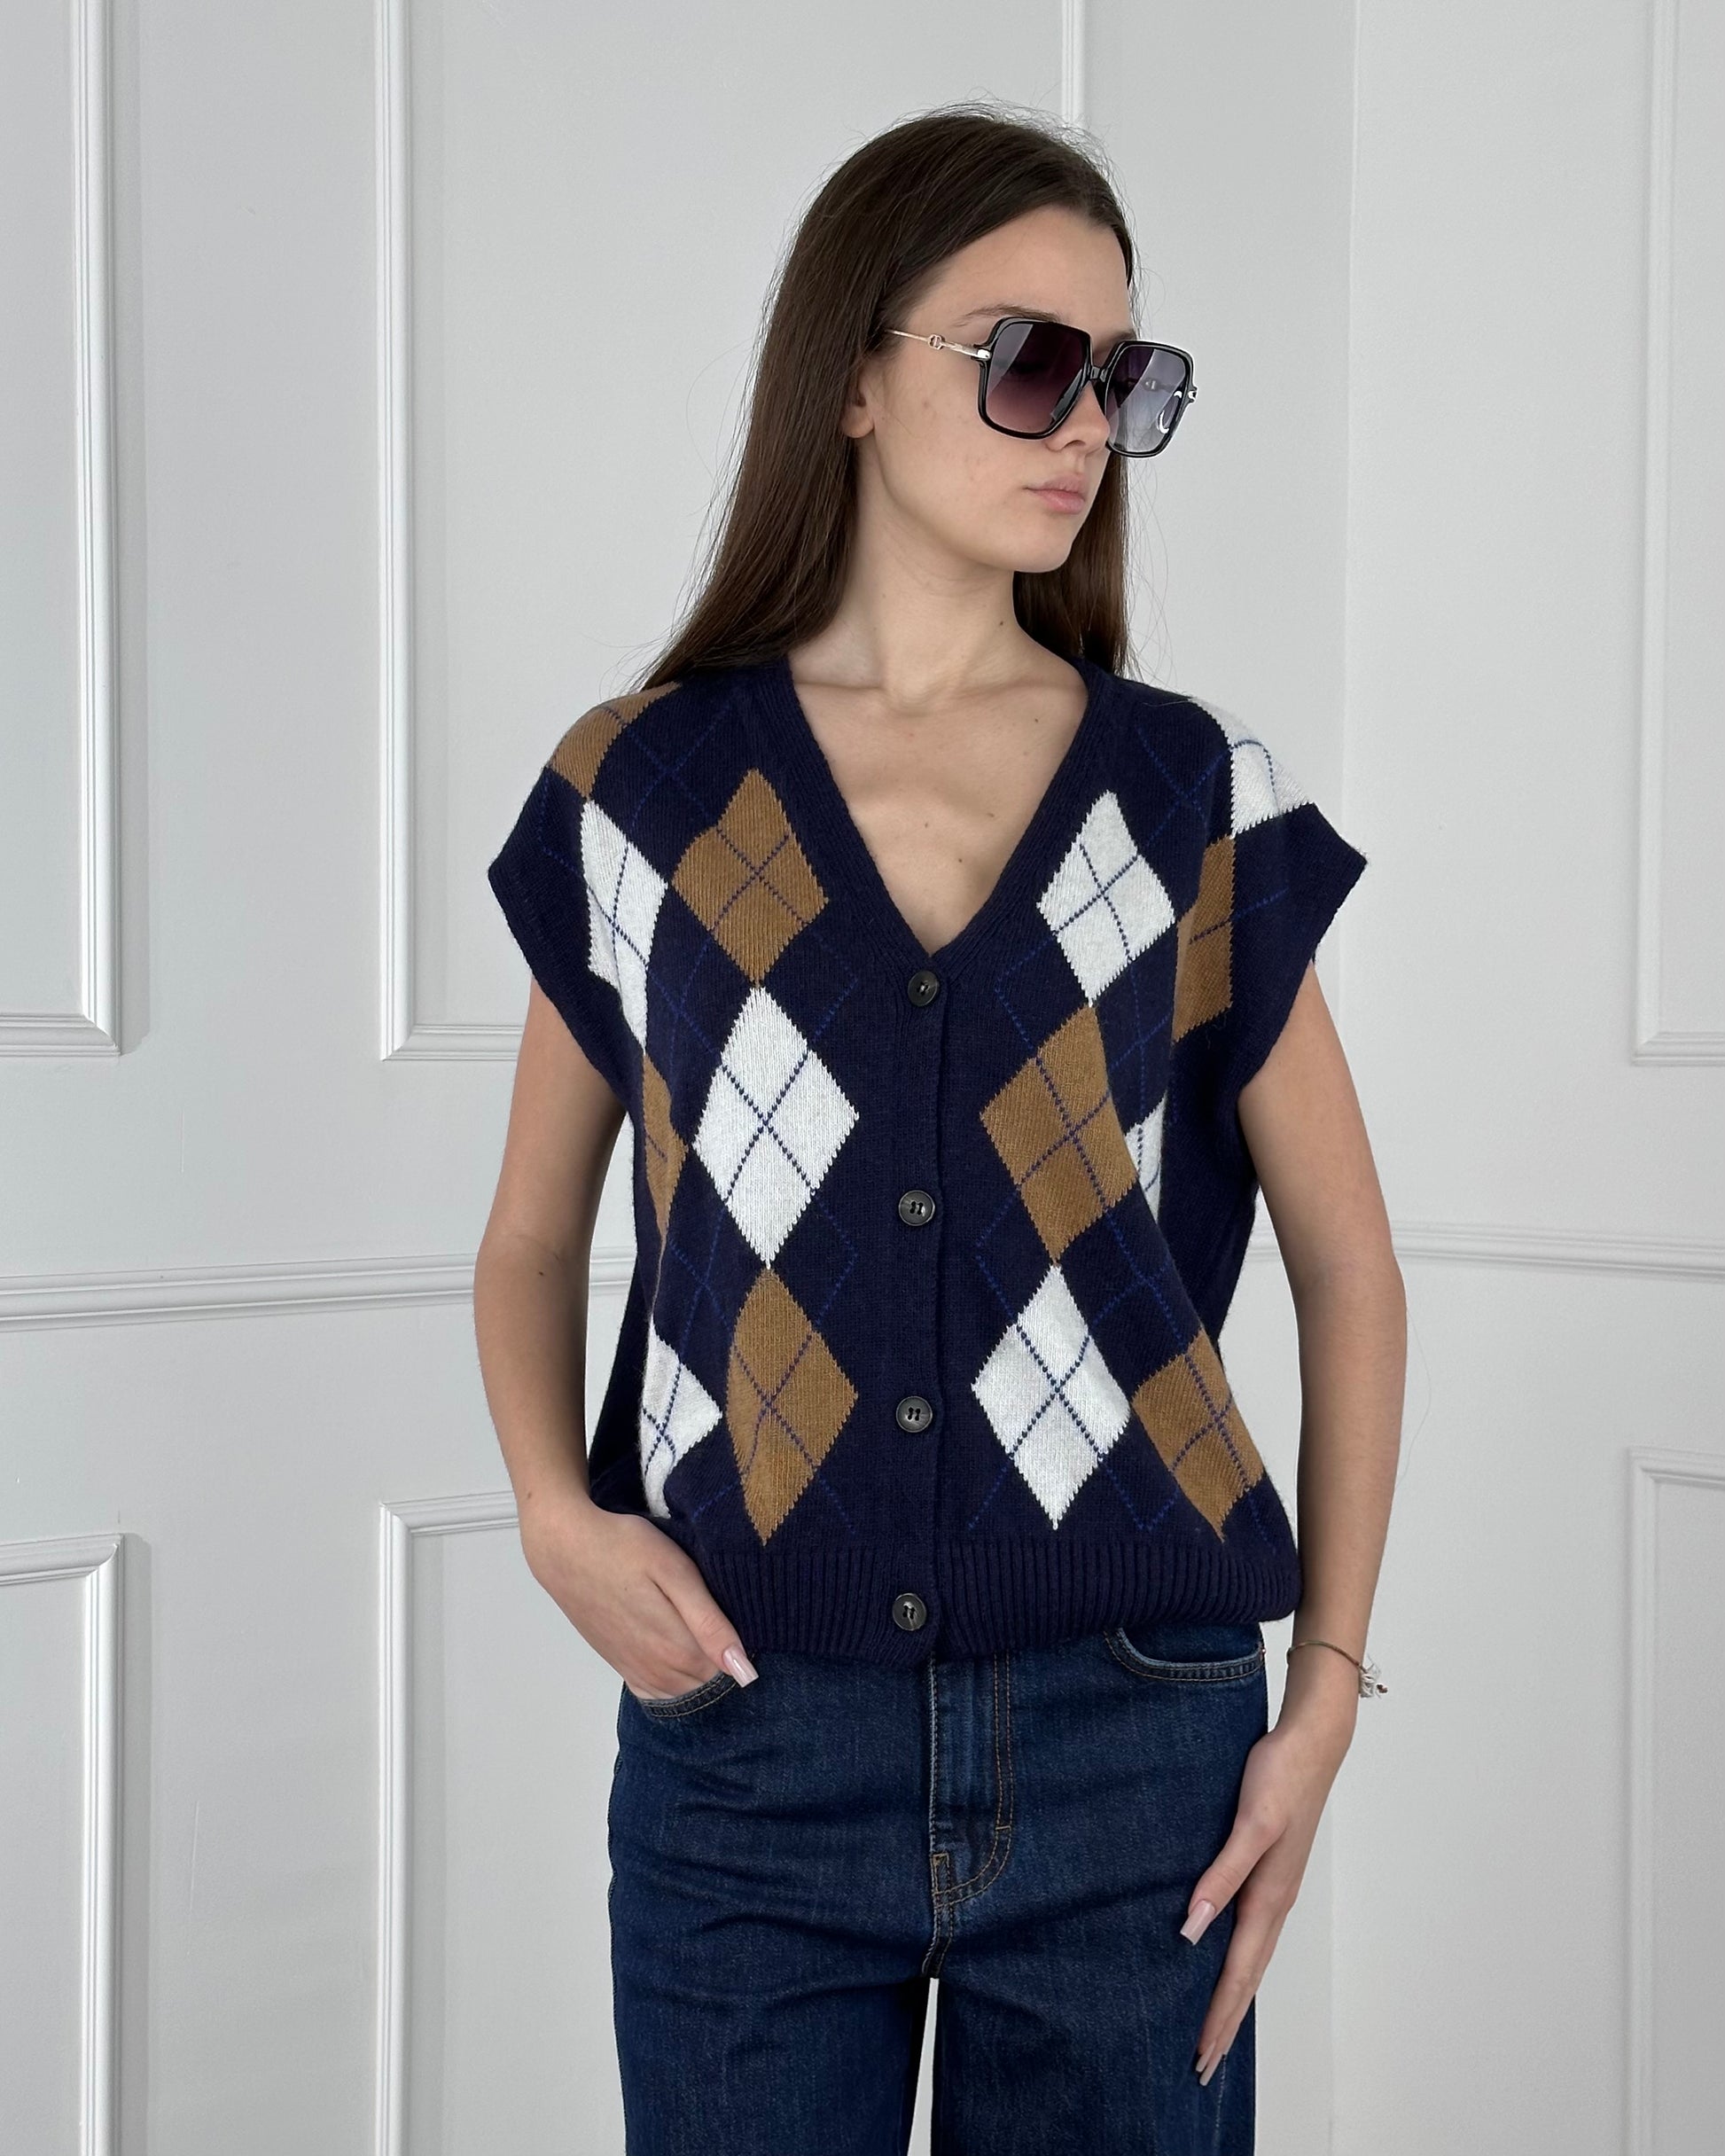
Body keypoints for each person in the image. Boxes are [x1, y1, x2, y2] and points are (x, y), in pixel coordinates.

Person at [473, 99, 1404, 2156]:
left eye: (1124, 378)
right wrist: (552, 1509)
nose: (1085, 426)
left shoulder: (1186, 791)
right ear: (852, 378)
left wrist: (1325, 1688)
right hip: (746, 1740)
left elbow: (1348, 1261)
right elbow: (535, 1229)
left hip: (1133, 1739)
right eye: (1030, 359)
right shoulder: (644, 789)